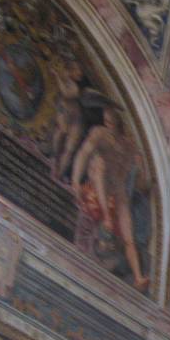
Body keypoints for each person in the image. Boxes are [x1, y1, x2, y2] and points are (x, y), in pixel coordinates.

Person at [71, 106, 151, 291]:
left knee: (128, 233)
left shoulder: (130, 146)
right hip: (99, 184)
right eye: (107, 121)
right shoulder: (100, 135)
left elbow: (142, 184)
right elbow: (84, 154)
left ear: (120, 124)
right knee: (99, 165)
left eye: (112, 123)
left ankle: (138, 277)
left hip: (118, 190)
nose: (109, 126)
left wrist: (143, 172)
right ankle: (106, 216)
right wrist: (75, 180)